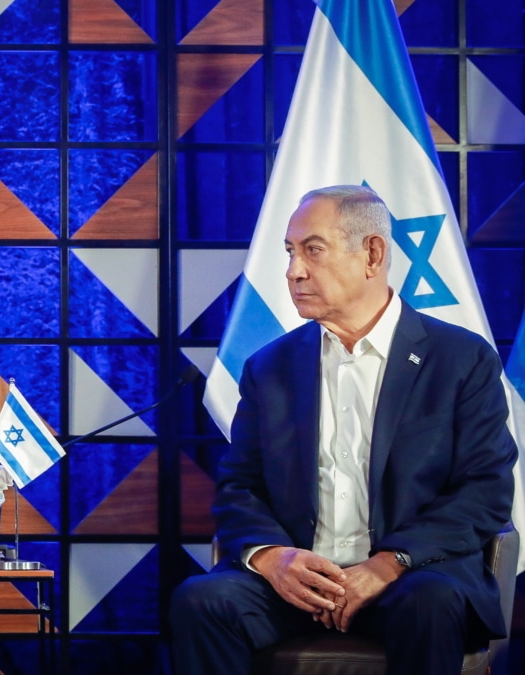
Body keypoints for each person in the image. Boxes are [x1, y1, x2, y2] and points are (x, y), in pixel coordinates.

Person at [170, 185, 517, 675]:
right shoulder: (270, 367)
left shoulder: (461, 359)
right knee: (201, 601)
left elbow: (485, 492)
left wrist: (386, 564)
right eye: (290, 253)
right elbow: (239, 488)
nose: (294, 271)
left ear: (372, 254)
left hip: (412, 576)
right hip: (298, 582)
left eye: (313, 249)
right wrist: (272, 558)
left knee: (430, 605)